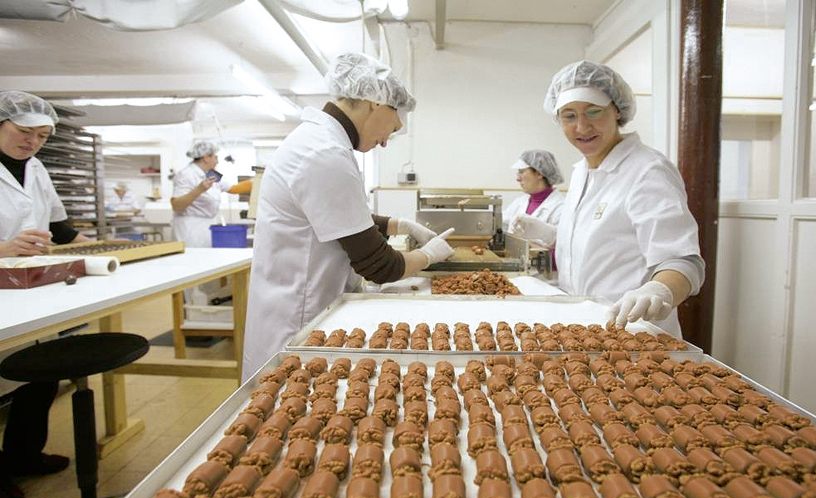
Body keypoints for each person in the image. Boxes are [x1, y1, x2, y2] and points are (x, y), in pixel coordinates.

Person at [242, 52, 454, 381]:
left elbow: (337, 216)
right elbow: (380, 266)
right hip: (299, 321)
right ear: (376, 102)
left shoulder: (318, 142)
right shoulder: (325, 153)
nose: (387, 141)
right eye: (394, 126)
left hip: (300, 309)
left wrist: (398, 225)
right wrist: (429, 255)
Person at [512, 61, 705, 337]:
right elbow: (601, 243)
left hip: (634, 333)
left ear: (617, 110)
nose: (582, 126)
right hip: (583, 329)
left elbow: (683, 261)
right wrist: (552, 235)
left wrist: (659, 289)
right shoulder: (582, 171)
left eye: (594, 111)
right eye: (569, 116)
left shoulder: (647, 171)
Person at [0, 90, 86, 498]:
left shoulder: (35, 169)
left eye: (42, 136)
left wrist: (101, 246)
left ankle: (23, 455)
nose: (32, 142)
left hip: (31, 286)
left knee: (41, 370)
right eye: (24, 131)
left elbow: (61, 227)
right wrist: (3, 248)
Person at [170, 141, 231, 247]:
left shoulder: (211, 173)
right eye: (215, 157)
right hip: (190, 229)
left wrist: (255, 182)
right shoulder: (186, 174)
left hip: (207, 227)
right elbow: (176, 206)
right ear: (206, 158)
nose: (217, 161)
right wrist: (199, 189)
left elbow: (232, 188)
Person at [504, 149, 565, 239]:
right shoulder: (519, 202)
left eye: (521, 172)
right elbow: (503, 223)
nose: (518, 178)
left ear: (539, 173)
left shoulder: (561, 207)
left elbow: (559, 241)